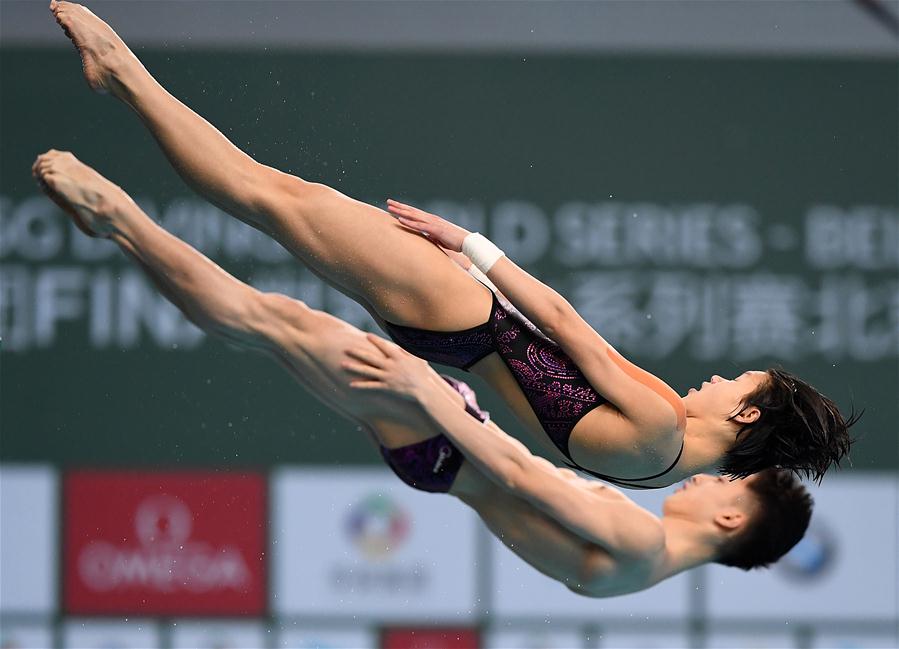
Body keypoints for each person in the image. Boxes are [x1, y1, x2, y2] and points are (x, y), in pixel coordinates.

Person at [47, 1, 857, 488]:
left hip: (465, 309)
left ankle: (122, 73)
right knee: (276, 202)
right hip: (454, 336)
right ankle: (127, 91)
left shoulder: (660, 425)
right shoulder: (667, 449)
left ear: (746, 411)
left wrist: (469, 243)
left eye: (732, 380)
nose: (714, 376)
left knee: (267, 193)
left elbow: (565, 322)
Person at [32, 149, 813, 595]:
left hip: (445, 436)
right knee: (272, 327)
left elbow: (521, 470)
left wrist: (429, 395)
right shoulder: (640, 548)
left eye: (724, 488)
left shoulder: (641, 543)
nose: (705, 482)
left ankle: (118, 218)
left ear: (727, 521)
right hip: (443, 453)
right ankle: (121, 225)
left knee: (266, 320)